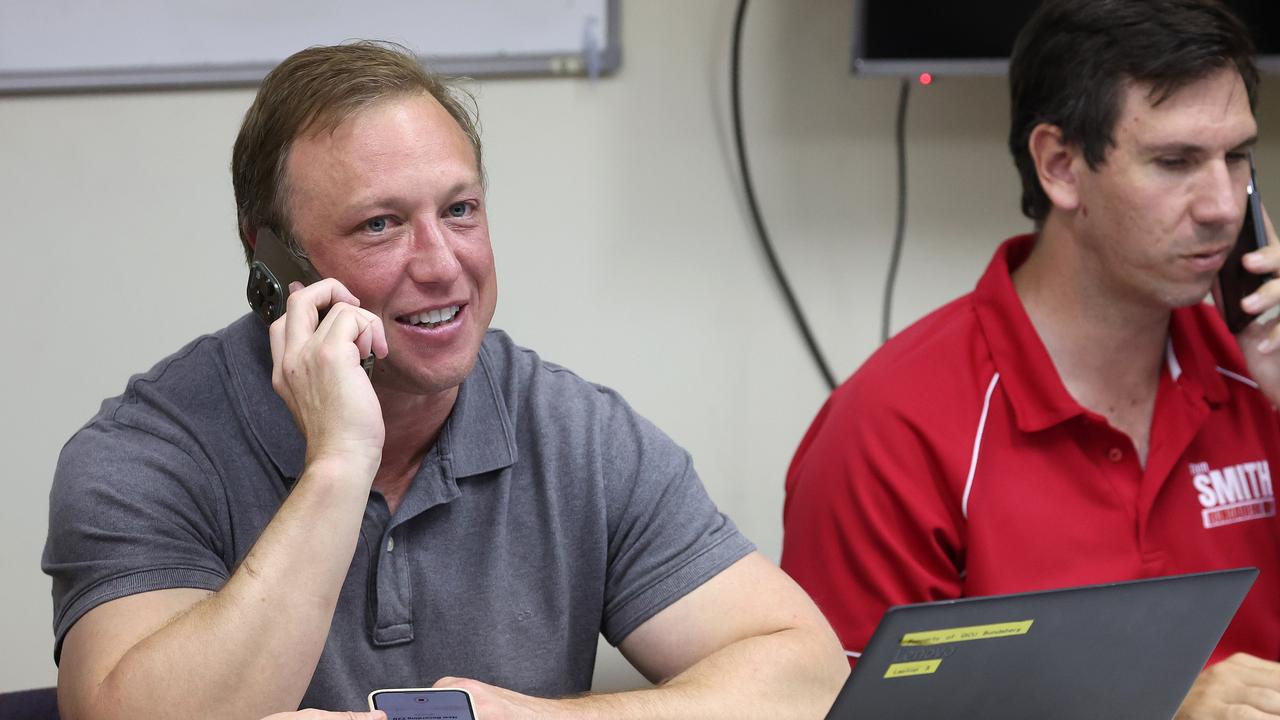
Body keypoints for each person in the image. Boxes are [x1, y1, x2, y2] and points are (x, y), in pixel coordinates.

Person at [43, 42, 847, 719]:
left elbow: (806, 672)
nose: (442, 265)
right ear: (272, 261)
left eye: (460, 210)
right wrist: (337, 465)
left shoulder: (575, 432)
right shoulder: (145, 455)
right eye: (380, 225)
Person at [781, 0, 1280, 717]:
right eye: (1175, 162)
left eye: (1236, 157)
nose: (1224, 206)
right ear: (1059, 166)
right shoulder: (890, 429)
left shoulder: (1256, 369)